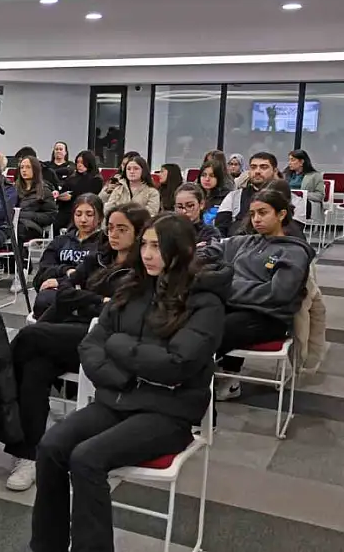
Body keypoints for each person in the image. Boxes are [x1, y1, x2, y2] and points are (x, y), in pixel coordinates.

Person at [31, 213, 229, 552]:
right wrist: (121, 376)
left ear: (180, 250)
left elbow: (176, 365)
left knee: (86, 458)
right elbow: (90, 345)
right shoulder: (131, 288)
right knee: (51, 447)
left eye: (158, 246)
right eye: (146, 245)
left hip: (167, 414)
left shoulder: (204, 302)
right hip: (117, 399)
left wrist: (119, 345)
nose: (149, 254)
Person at [7, 204, 149, 491]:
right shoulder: (99, 257)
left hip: (104, 345)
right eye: (111, 228)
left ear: (138, 233)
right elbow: (65, 289)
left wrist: (84, 301)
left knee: (29, 337)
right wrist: (96, 301)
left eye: (122, 230)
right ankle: (28, 455)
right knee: (34, 368)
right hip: (73, 334)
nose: (114, 234)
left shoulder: (141, 269)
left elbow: (117, 313)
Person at [201, 188, 314, 401]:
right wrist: (196, 253)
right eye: (252, 214)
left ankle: (190, 382)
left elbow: (278, 293)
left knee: (213, 328)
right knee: (195, 314)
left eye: (263, 213)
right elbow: (216, 247)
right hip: (237, 308)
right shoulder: (248, 242)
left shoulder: (294, 252)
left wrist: (228, 287)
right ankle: (207, 377)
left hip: (268, 317)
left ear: (281, 215)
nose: (256, 219)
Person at [31, 194, 106, 318]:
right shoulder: (60, 241)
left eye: (89, 214)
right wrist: (65, 270)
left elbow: (99, 277)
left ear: (100, 217)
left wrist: (61, 281)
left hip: (87, 293)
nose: (83, 219)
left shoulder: (105, 244)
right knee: (43, 301)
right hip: (59, 293)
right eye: (78, 214)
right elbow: (43, 272)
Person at [216, 151, 279, 237]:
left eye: (263, 167)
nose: (257, 171)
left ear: (275, 171)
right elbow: (220, 229)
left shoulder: (290, 198)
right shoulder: (234, 196)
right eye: (253, 167)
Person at [56, 150, 105, 232]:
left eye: (82, 162)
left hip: (83, 209)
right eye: (78, 162)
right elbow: (65, 189)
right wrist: (60, 196)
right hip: (66, 209)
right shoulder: (72, 177)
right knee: (57, 221)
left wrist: (72, 196)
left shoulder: (96, 179)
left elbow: (89, 196)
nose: (79, 165)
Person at [16, 155, 58, 244]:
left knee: (19, 230)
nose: (24, 170)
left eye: (28, 167)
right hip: (15, 223)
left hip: (33, 227)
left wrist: (29, 215)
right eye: (22, 167)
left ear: (35, 169)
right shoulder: (14, 189)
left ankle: (18, 258)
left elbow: (51, 216)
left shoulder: (44, 190)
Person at [284, 149, 324, 220]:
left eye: (292, 160)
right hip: (287, 201)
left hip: (304, 203)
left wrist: (303, 194)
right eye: (289, 160)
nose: (289, 163)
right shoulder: (285, 175)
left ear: (301, 162)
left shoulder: (315, 176)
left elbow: (320, 196)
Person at [195, 158, 231, 226]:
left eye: (212, 176)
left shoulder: (227, 197)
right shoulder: (194, 194)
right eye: (204, 175)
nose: (207, 179)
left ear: (219, 178)